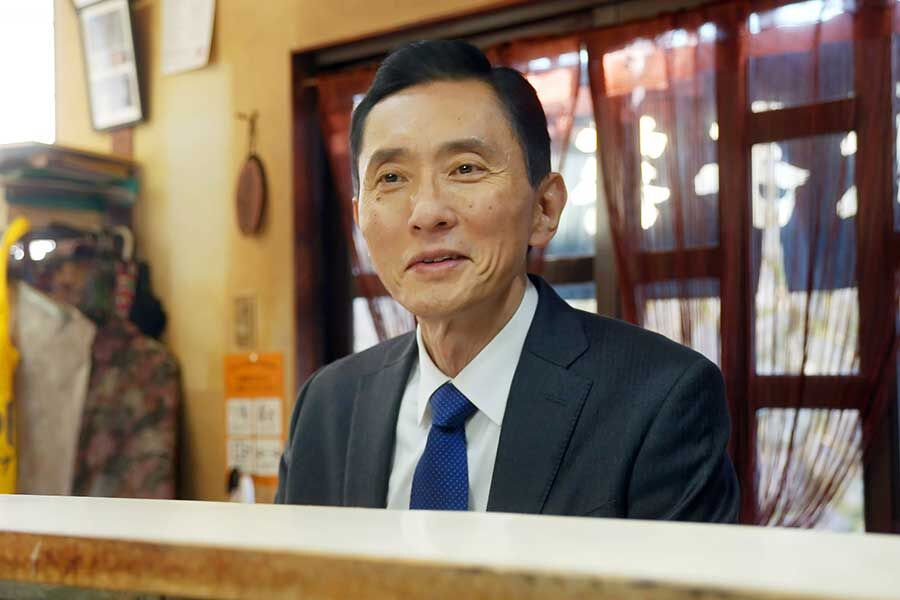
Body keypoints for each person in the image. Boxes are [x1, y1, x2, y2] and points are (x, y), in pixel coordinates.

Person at [276, 40, 739, 522]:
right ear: (359, 217)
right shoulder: (326, 407)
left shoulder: (660, 399)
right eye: (391, 178)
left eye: (465, 168)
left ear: (545, 208)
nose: (427, 212)